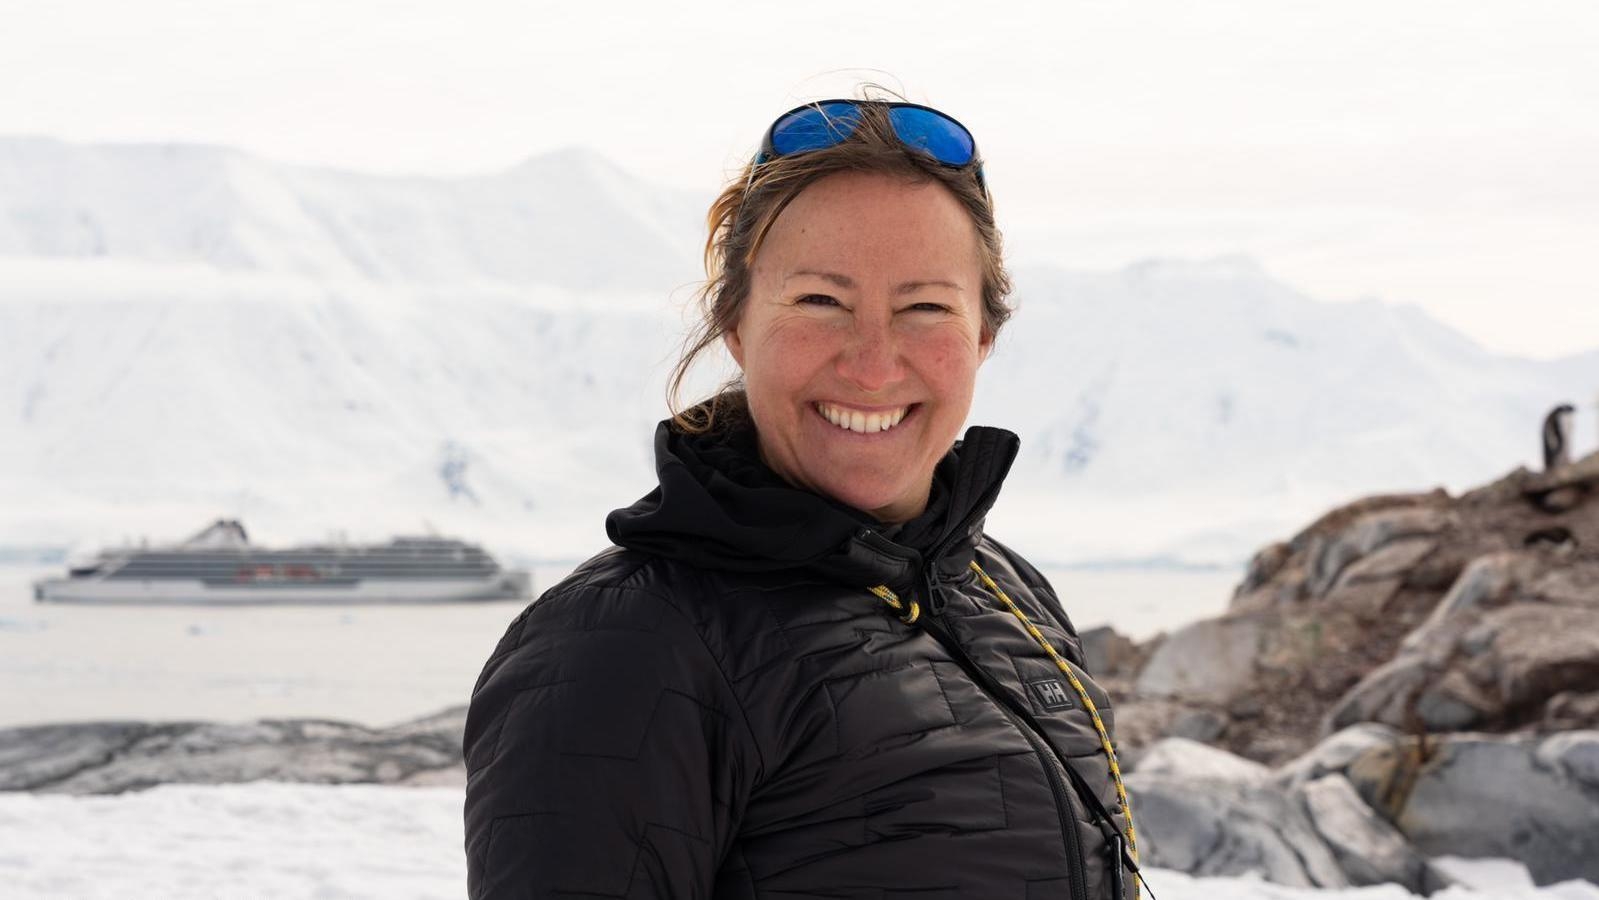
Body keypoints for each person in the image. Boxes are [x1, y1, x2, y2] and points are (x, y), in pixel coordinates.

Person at [463, 96, 1144, 899]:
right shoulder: (626, 646)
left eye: (924, 307)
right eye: (820, 301)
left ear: (982, 335)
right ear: (736, 324)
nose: (873, 364)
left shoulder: (1000, 586)